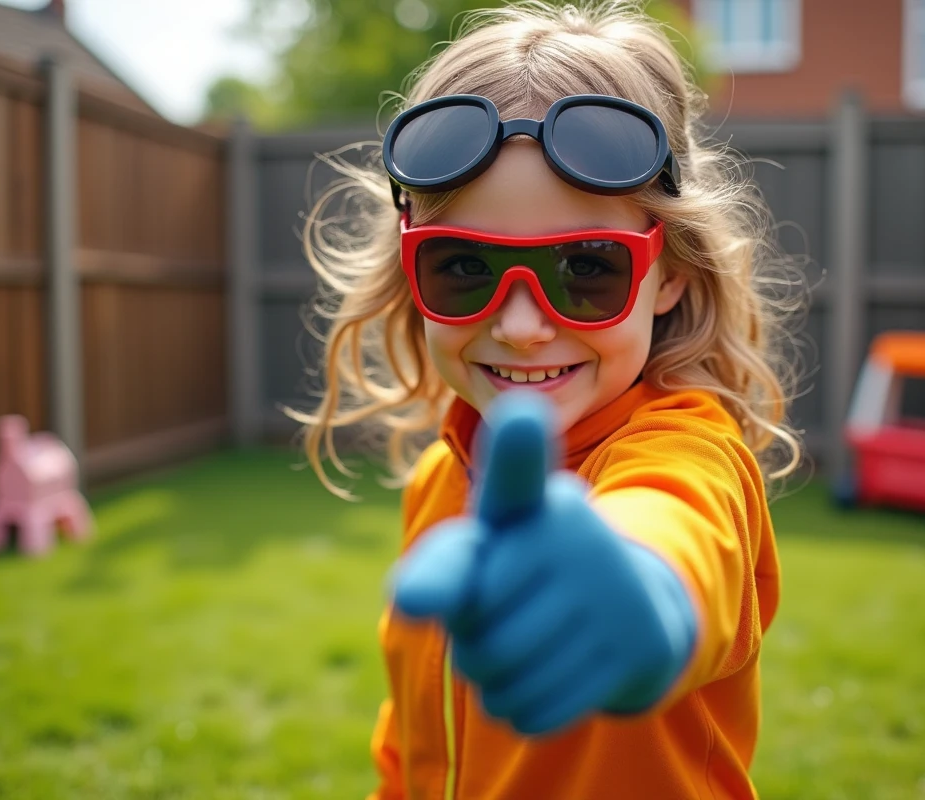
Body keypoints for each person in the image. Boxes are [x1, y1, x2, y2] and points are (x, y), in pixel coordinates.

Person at [290, 1, 805, 797]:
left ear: (668, 272)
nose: (524, 326)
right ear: (411, 270)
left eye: (587, 268)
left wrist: (652, 593)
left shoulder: (689, 450)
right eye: (463, 268)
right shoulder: (441, 477)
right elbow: (418, 745)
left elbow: (673, 522)